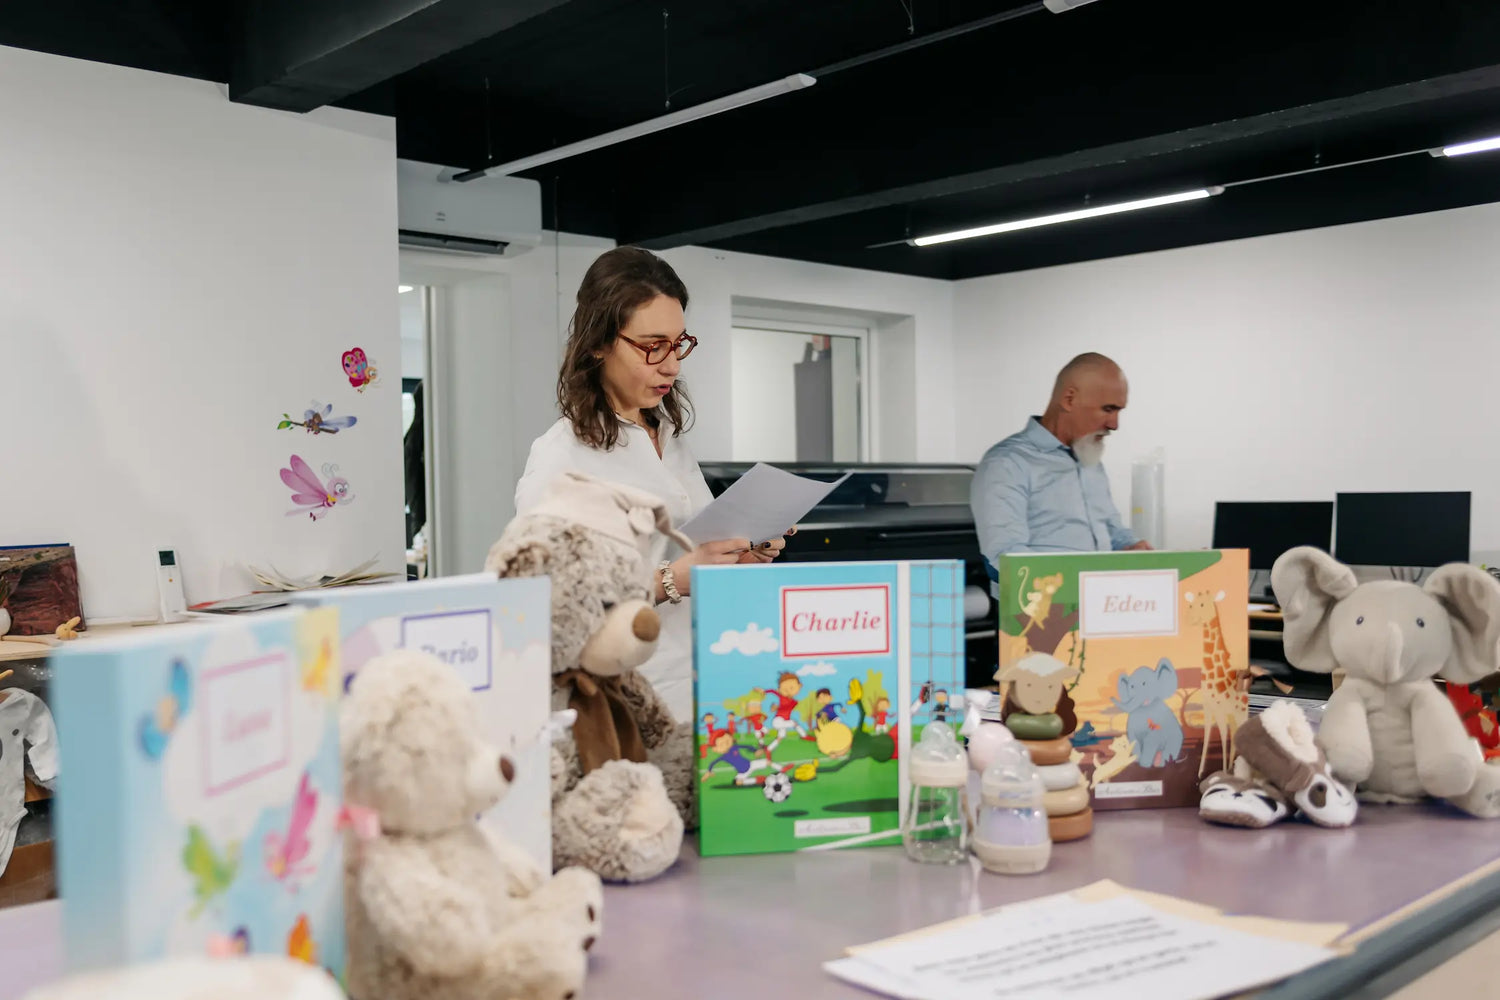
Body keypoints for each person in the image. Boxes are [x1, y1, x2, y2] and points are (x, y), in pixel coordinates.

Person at [515, 246, 788, 723]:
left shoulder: (670, 441)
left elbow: (691, 553)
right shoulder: (561, 458)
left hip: (706, 687)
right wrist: (668, 581)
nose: (672, 365)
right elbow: (547, 610)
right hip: (620, 708)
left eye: (679, 343)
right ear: (598, 343)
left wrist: (741, 555)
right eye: (651, 345)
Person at [970, 352, 1151, 591]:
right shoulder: (1007, 463)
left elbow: (1111, 530)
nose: (1114, 424)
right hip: (1041, 617)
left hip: (1099, 607)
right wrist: (1072, 586)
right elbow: (1005, 561)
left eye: (1119, 411)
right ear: (1069, 399)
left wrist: (1133, 548)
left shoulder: (1090, 461)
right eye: (1108, 409)